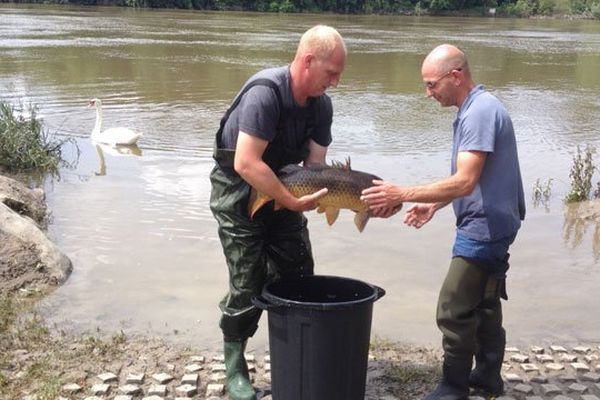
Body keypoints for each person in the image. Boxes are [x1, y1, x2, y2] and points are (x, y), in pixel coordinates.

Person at [361, 44, 525, 400]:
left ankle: (453, 387)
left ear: (456, 75)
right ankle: (487, 378)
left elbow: (466, 180)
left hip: (484, 228)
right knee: (483, 302)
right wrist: (432, 205)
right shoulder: (480, 107)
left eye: (432, 84)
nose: (428, 93)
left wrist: (402, 193)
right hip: (498, 222)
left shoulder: (478, 113)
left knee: (452, 310)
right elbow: (476, 179)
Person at [209, 25, 346, 400]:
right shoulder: (265, 93)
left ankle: (295, 350)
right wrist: (288, 198)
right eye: (331, 73)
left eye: (339, 75)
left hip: (287, 188)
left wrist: (340, 196)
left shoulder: (322, 106)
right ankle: (236, 365)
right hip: (238, 194)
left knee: (299, 271)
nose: (335, 82)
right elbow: (246, 163)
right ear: (306, 61)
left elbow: (315, 165)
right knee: (247, 279)